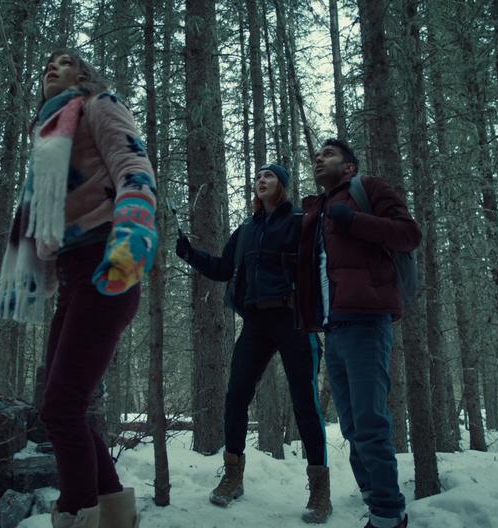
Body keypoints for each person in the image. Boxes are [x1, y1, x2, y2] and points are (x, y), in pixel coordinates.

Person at [0, 49, 157, 528]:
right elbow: (42, 216)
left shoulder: (98, 105)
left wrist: (131, 240)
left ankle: (75, 514)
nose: (51, 66)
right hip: (73, 272)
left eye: (64, 62)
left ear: (83, 74)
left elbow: (134, 167)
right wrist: (32, 277)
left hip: (110, 260)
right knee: (67, 403)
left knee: (61, 406)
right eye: (45, 62)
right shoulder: (48, 134)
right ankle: (112, 514)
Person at [175, 163, 332, 524]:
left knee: (305, 402)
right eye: (258, 177)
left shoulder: (299, 220)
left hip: (296, 322)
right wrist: (189, 253)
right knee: (235, 397)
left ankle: (320, 492)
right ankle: (233, 476)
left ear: (283, 185)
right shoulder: (246, 228)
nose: (261, 180)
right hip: (257, 323)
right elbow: (223, 269)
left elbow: (322, 262)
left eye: (270, 176)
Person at [295, 139, 421, 528]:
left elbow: (408, 234)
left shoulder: (370, 190)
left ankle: (387, 513)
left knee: (369, 424)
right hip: (334, 329)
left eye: (328, 155)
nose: (319, 158)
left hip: (368, 322)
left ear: (349, 167)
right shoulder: (315, 211)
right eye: (316, 156)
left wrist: (354, 221)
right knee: (351, 427)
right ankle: (379, 508)